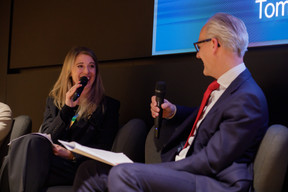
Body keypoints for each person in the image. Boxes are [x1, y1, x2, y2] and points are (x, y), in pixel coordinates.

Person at [73, 13, 269, 192]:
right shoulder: (226, 90)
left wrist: (158, 169)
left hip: (215, 183)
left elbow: (211, 161)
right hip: (192, 173)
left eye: (199, 47)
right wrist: (173, 111)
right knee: (91, 172)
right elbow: (209, 118)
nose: (198, 55)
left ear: (214, 44)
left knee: (125, 174)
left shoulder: (247, 98)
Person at [1, 46, 120, 191]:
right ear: (70, 72)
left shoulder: (107, 107)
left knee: (22, 166)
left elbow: (103, 148)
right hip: (50, 160)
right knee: (30, 143)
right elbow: (46, 136)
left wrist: (71, 154)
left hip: (77, 165)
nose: (87, 72)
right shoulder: (55, 100)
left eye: (91, 66)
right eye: (80, 66)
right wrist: (67, 108)